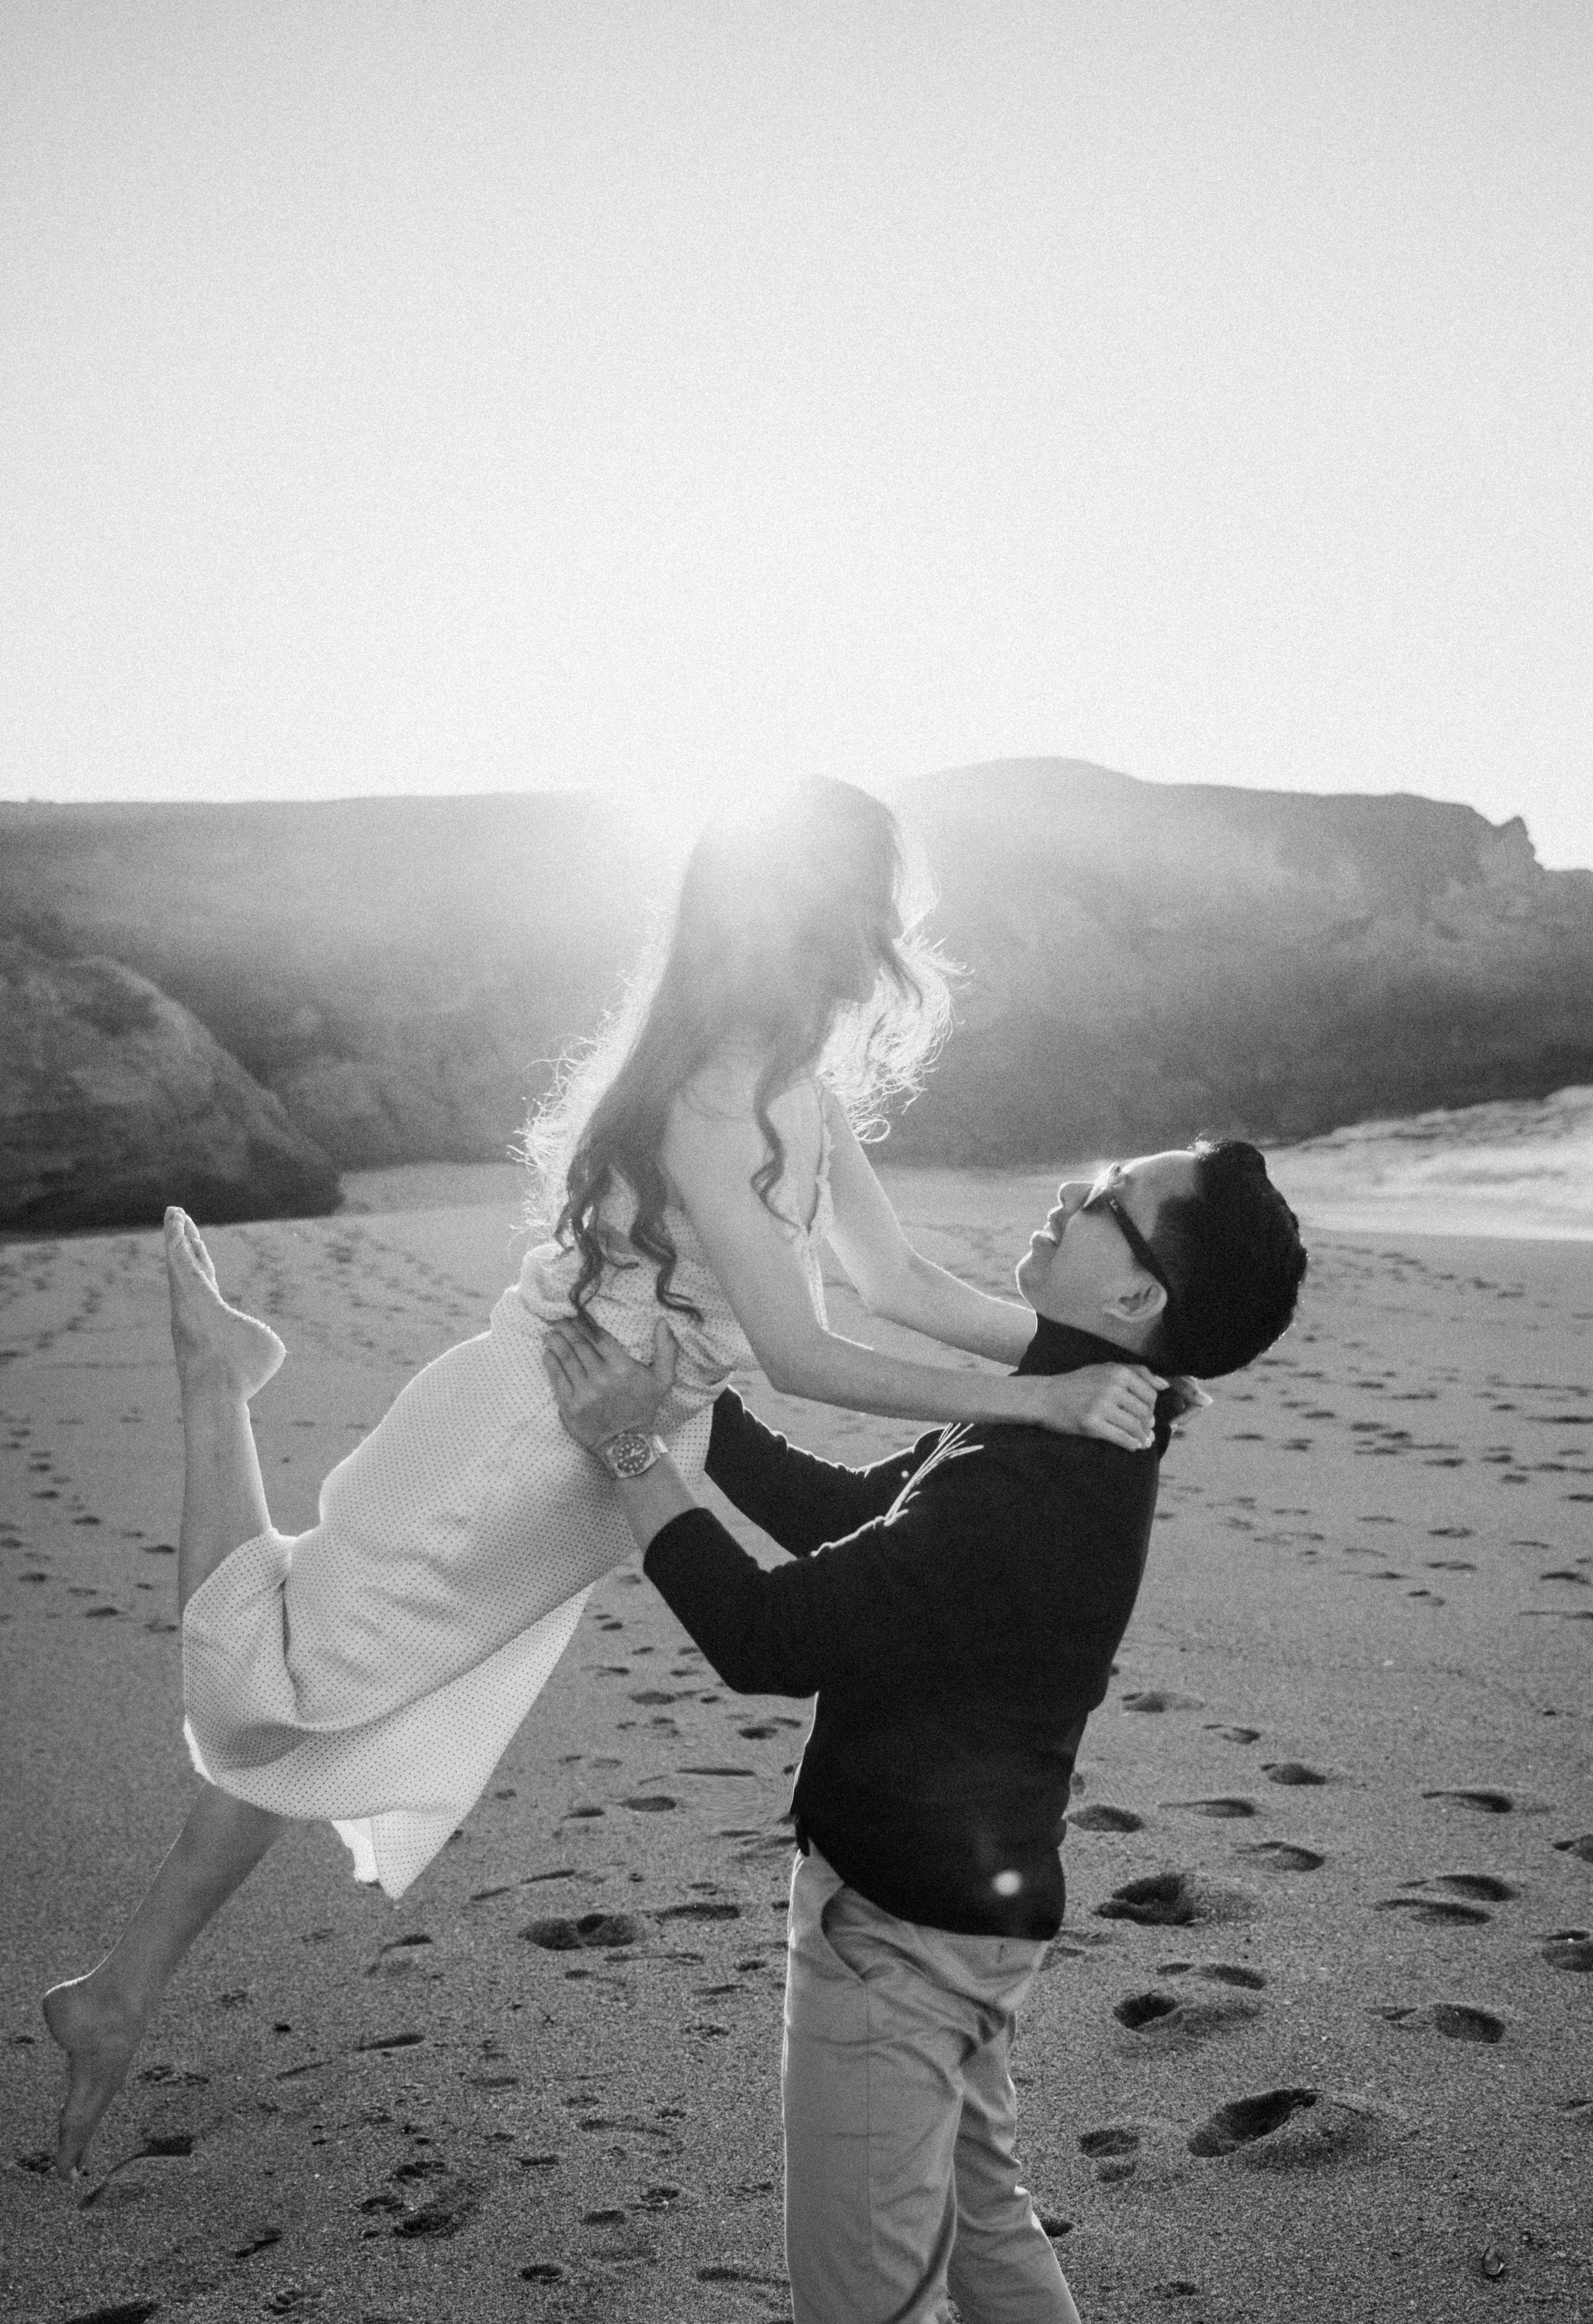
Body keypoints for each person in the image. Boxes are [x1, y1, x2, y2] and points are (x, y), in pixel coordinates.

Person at [44, 778, 1168, 2180]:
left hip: (608, 1433)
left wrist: (1127, 1358)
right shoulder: (710, 1099)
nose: (886, 927)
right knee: (271, 1687)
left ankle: (119, 1989)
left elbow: (899, 1283)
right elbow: (802, 1351)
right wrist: (1046, 1393)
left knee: (315, 1693)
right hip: (524, 1427)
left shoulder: (789, 1090)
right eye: (873, 898)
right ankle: (212, 1382)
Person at [541, 1136, 1307, 2324]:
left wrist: (634, 1454)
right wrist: (702, 1417)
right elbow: (866, 1522)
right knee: (983, 2235)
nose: (1070, 1188)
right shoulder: (1075, 1418)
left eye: (1106, 1200)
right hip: (966, 1921)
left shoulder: (1042, 1469)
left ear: (1134, 1299)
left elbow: (766, 1638)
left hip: (896, 1939)